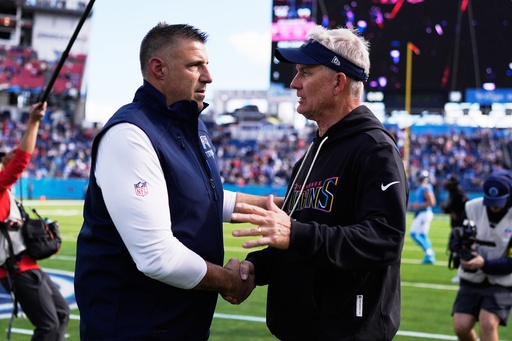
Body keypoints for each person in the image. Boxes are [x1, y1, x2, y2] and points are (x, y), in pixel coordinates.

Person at [74, 23, 272, 340]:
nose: (208, 76)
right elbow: (158, 257)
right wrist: (231, 280)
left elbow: (201, 196)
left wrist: (275, 207)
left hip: (180, 323)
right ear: (158, 69)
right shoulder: (131, 134)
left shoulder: (191, 124)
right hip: (135, 328)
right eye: (195, 65)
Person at [230, 25, 408, 340]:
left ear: (339, 81)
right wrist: (256, 268)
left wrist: (295, 233)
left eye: (305, 73)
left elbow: (384, 239)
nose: (294, 83)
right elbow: (297, 234)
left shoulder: (374, 148)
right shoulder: (310, 155)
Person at [0, 102, 70, 341]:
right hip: (16, 270)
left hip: (26, 265)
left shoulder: (5, 191)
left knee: (61, 313)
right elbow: (20, 162)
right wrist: (33, 122)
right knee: (48, 326)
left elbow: (15, 159)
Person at [452, 169, 512, 341]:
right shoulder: (472, 207)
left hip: (502, 281)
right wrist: (461, 253)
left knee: (488, 323)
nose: (494, 206)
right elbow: (454, 238)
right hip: (472, 278)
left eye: (499, 202)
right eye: (490, 201)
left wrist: (484, 264)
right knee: (461, 327)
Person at [441, 174, 469, 283]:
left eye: (449, 182)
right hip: (456, 226)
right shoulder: (453, 193)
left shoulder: (458, 194)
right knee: (454, 248)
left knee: (458, 248)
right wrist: (447, 210)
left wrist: (460, 215)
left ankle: (462, 273)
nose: (446, 183)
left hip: (460, 226)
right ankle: (461, 273)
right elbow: (451, 209)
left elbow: (467, 206)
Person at [409, 169, 437, 264]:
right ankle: (429, 256)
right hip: (424, 213)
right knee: (423, 235)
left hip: (424, 213)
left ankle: (429, 253)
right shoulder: (424, 187)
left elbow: (432, 202)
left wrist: (416, 205)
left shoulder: (425, 187)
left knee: (413, 233)